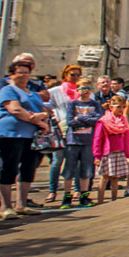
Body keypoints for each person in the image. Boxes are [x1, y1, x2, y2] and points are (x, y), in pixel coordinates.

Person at [0, 60, 51, 219]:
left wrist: (43, 116)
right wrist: (38, 120)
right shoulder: (8, 90)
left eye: (26, 72)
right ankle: (5, 207)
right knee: (9, 168)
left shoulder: (33, 93)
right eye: (19, 72)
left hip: (32, 137)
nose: (23, 75)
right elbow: (15, 109)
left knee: (28, 169)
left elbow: (44, 110)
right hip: (11, 134)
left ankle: (21, 205)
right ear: (11, 75)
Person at [60, 78, 103, 208]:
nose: (86, 91)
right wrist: (88, 120)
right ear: (78, 90)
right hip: (73, 141)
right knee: (69, 170)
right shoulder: (72, 104)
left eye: (89, 88)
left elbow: (98, 119)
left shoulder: (95, 104)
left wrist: (80, 118)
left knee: (86, 170)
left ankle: (84, 195)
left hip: (88, 141)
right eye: (83, 88)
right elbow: (70, 122)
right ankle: (67, 196)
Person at [45, 65, 82, 204]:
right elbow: (44, 104)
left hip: (78, 130)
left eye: (78, 75)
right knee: (57, 162)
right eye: (73, 75)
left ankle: (77, 190)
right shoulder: (55, 91)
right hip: (61, 129)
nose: (76, 78)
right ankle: (52, 191)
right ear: (65, 75)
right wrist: (51, 116)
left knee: (77, 162)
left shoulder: (80, 91)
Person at [93, 95, 129, 204]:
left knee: (115, 178)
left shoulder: (123, 121)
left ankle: (114, 200)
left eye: (123, 107)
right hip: (107, 153)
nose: (121, 109)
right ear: (111, 107)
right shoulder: (103, 121)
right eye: (118, 106)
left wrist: (127, 154)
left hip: (119, 152)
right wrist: (97, 156)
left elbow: (126, 138)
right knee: (105, 177)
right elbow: (97, 139)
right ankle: (100, 201)